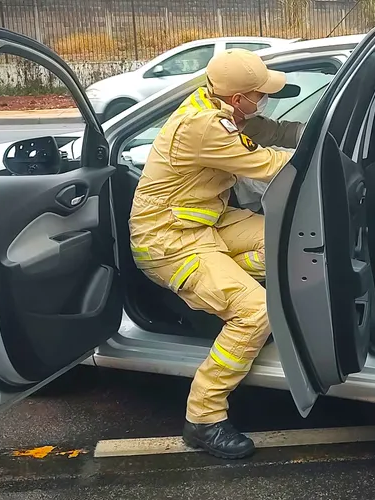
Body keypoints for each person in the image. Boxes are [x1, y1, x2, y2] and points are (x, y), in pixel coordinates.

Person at [128, 48, 304, 459]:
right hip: (169, 241)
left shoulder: (222, 108)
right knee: (255, 310)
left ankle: (226, 273)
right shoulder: (204, 126)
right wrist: (335, 157)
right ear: (239, 97)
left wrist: (328, 129)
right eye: (260, 94)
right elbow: (273, 163)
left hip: (207, 224)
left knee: (291, 241)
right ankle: (203, 419)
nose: (264, 100)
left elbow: (273, 132)